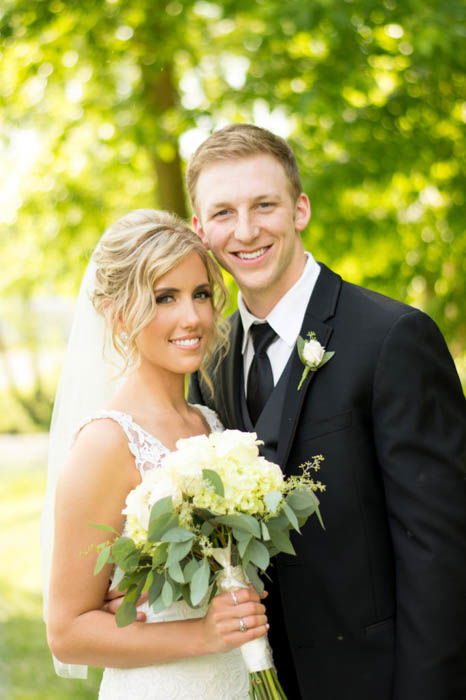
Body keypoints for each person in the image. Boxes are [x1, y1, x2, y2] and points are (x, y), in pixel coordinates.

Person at [187, 124, 466, 700]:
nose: (246, 230)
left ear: (300, 209)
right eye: (223, 213)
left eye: (264, 205)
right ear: (199, 229)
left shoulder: (393, 338)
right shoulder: (208, 362)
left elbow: (442, 554)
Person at [45, 209, 269, 699]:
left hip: (234, 679)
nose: (192, 317)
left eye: (201, 294)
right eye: (164, 297)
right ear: (118, 313)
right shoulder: (106, 443)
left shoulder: (208, 423)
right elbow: (66, 632)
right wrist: (201, 634)